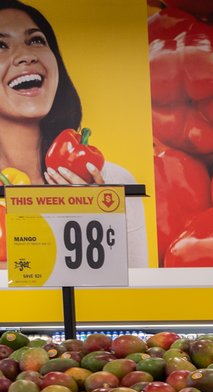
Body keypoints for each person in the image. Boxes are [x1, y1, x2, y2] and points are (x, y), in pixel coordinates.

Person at [0, 1, 145, 262]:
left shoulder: (109, 179)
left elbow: (133, 290)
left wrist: (96, 219)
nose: (26, 55)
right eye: (0, 46)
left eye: (36, 41)